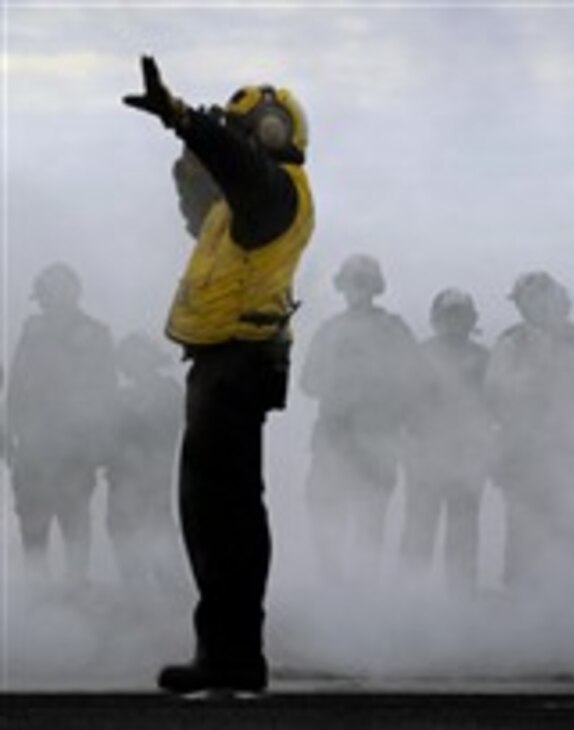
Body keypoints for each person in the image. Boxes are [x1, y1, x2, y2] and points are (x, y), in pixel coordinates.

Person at [124, 55, 315, 695]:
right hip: (219, 365)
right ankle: (223, 652)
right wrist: (189, 162)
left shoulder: (277, 189)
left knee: (225, 516)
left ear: (262, 133)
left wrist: (183, 119)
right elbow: (207, 204)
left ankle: (235, 657)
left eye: (241, 132)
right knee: (208, 514)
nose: (234, 143)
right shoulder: (241, 208)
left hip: (237, 365)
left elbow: (237, 171)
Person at [300, 254, 426, 583]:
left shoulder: (393, 330)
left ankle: (364, 600)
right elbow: (308, 382)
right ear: (343, 287)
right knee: (328, 517)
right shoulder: (329, 331)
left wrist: (379, 391)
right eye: (353, 282)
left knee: (370, 522)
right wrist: (341, 381)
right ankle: (333, 591)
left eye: (364, 282)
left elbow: (415, 379)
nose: (358, 289)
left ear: (374, 287)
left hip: (377, 439)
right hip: (334, 438)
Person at [484, 272, 574, 595]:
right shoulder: (511, 340)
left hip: (566, 443)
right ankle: (520, 593)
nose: (534, 306)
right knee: (523, 520)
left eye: (542, 298)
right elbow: (493, 390)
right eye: (527, 300)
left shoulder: (572, 337)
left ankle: (573, 591)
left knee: (571, 514)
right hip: (523, 445)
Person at [7, 263, 117, 586]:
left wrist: (100, 444)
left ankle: (76, 586)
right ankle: (36, 589)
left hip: (75, 443)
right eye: (41, 294)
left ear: (70, 293)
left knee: (74, 516)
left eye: (47, 292)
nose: (43, 300)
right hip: (33, 443)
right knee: (31, 516)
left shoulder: (96, 333)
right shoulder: (33, 329)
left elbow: (106, 391)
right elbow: (16, 381)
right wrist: (5, 429)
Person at [400, 289, 493, 592]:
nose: (455, 323)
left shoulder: (485, 359)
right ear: (437, 320)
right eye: (449, 316)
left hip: (468, 455)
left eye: (460, 316)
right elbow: (404, 402)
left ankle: (461, 597)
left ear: (470, 320)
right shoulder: (419, 356)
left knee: (463, 529)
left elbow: (497, 405)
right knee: (419, 526)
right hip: (426, 454)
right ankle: (410, 595)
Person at [104, 332, 185, 594]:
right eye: (126, 360)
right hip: (121, 476)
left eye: (135, 357)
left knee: (157, 529)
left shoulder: (168, 390)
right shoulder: (122, 395)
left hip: (153, 474)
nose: (130, 365)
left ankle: (173, 592)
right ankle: (136, 593)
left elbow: (162, 427)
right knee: (120, 529)